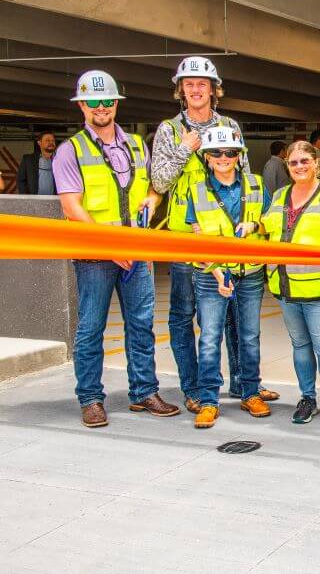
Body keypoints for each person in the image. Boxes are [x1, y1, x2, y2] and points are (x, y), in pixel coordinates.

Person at [150, 56, 277, 413]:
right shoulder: (169, 130)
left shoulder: (229, 124)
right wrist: (184, 149)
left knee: (237, 315)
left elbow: (247, 176)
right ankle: (193, 388)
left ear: (214, 89)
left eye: (202, 84)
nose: (195, 90)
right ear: (180, 90)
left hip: (231, 237)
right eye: (188, 84)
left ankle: (243, 384)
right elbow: (159, 181)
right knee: (186, 314)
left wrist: (252, 225)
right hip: (187, 236)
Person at [53, 71, 179, 427]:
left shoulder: (138, 145)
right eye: (93, 101)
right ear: (81, 105)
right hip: (95, 256)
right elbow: (71, 207)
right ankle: (91, 398)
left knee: (141, 325)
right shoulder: (70, 151)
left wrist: (153, 201)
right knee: (91, 327)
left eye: (107, 100)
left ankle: (144, 392)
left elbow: (156, 187)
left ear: (116, 104)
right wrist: (109, 247)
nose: (101, 107)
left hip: (136, 251)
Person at [186, 126, 271, 429]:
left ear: (239, 156)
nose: (223, 158)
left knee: (249, 337)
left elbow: (269, 224)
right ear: (206, 157)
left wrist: (255, 227)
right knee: (209, 339)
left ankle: (250, 392)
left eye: (230, 152)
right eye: (216, 153)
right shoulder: (196, 190)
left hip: (249, 273)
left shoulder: (257, 185)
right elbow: (197, 237)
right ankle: (209, 400)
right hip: (212, 275)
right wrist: (220, 274)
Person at [263, 141, 320, 425]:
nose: (299, 167)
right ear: (288, 166)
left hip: (318, 285)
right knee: (299, 345)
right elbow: (267, 229)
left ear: (316, 163)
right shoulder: (279, 195)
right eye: (294, 162)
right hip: (284, 286)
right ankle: (307, 397)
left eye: (304, 161)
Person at [17, 130, 58, 195]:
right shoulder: (28, 159)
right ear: (39, 143)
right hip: (34, 201)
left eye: (53, 140)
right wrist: (25, 199)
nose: (51, 142)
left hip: (55, 201)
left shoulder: (60, 160)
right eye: (47, 140)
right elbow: (21, 181)